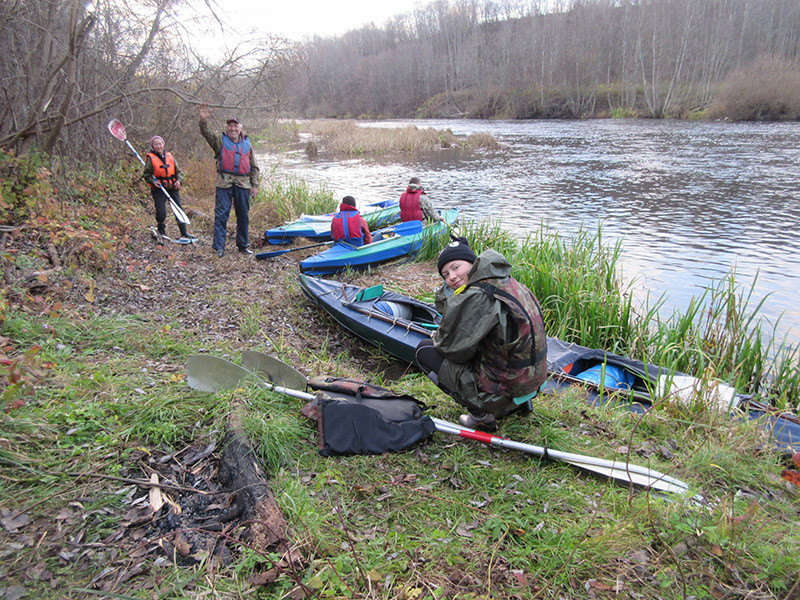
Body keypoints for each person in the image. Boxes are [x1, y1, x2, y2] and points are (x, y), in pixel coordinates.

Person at [415, 237, 548, 430]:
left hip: (505, 391)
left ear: (473, 263)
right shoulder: (507, 282)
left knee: (424, 350)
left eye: (456, 267)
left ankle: (482, 414)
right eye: (445, 274)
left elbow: (451, 350)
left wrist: (438, 337)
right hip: (533, 383)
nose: (451, 276)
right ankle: (520, 404)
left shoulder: (479, 295)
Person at [197, 102, 260, 257]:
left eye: (235, 126)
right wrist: (203, 120)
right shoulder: (219, 141)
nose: (232, 128)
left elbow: (254, 167)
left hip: (243, 184)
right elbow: (206, 133)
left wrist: (255, 185)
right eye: (230, 126)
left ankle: (242, 245)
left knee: (243, 216)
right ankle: (219, 247)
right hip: (224, 183)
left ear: (240, 128)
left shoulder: (247, 144)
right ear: (227, 128)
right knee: (221, 215)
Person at [142, 136, 196, 243]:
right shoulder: (151, 159)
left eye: (160, 144)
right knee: (161, 212)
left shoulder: (170, 156)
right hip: (159, 189)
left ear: (163, 144)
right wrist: (153, 182)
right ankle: (161, 231)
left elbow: (179, 172)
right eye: (156, 144)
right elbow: (146, 175)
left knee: (178, 209)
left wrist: (179, 181)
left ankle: (184, 232)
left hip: (172, 187)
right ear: (153, 146)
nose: (159, 146)